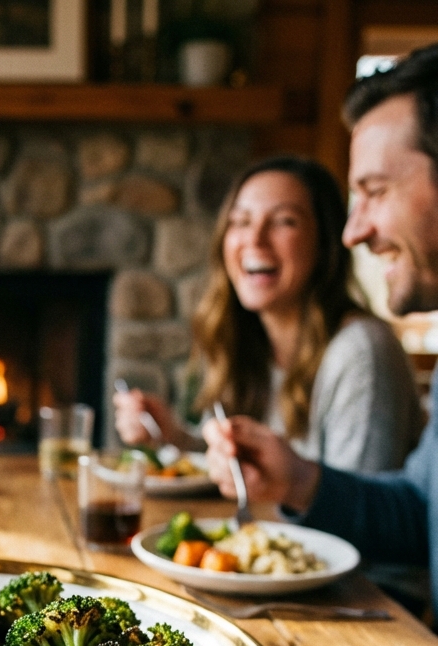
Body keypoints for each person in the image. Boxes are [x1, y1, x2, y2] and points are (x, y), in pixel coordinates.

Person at [203, 45, 438, 612]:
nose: (356, 232)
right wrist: (299, 480)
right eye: (239, 222)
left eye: (375, 191)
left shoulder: (361, 348)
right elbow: (417, 516)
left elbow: (377, 564)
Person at [115, 156, 422, 472]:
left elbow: (357, 498)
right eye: (241, 221)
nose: (254, 239)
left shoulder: (361, 351)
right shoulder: (244, 338)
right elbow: (236, 469)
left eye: (284, 221)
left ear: (325, 244)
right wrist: (174, 437)